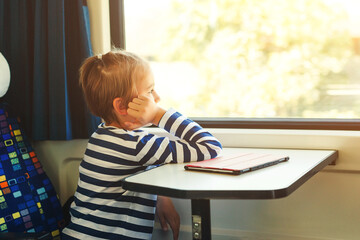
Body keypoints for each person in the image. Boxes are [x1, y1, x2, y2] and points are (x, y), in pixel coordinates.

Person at [61, 49, 222, 240]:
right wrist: (158, 114)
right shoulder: (135, 144)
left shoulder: (104, 135)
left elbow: (144, 164)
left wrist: (162, 197)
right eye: (149, 91)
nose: (157, 98)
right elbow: (210, 146)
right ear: (121, 106)